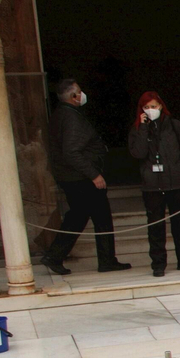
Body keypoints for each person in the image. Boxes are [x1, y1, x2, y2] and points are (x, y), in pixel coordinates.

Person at [41, 77, 130, 276]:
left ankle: (103, 258)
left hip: (73, 175)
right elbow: (71, 152)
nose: (83, 95)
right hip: (80, 176)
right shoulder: (70, 117)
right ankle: (57, 255)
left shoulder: (62, 114)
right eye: (80, 91)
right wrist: (94, 175)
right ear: (74, 97)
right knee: (90, 216)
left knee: (87, 215)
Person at [127, 91, 180, 277]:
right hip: (152, 184)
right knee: (155, 226)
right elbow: (138, 153)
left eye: (153, 106)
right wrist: (144, 128)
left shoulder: (175, 126)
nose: (151, 110)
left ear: (161, 106)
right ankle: (158, 264)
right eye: (146, 107)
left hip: (176, 182)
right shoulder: (137, 129)